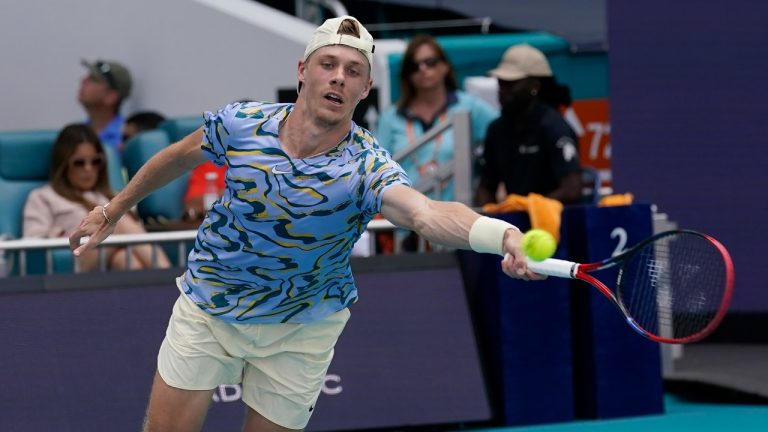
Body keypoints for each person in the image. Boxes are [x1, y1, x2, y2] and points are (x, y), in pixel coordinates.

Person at [69, 16, 541, 432]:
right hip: (211, 302)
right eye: (328, 64)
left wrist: (499, 233)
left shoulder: (366, 166)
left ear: (365, 89)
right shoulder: (241, 123)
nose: (338, 78)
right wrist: (113, 209)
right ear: (302, 71)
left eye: (353, 71)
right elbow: (176, 158)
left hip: (302, 326)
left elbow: (426, 213)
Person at [23, 123, 170, 272]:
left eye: (95, 161)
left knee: (126, 259)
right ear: (63, 164)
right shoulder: (43, 197)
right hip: (72, 262)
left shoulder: (115, 196)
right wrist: (60, 234)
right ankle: (168, 276)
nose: (89, 169)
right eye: (79, 163)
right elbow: (33, 248)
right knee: (118, 219)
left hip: (107, 263)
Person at [376, 34, 498, 201]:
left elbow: (504, 137)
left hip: (458, 217)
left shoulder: (469, 106)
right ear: (407, 74)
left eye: (430, 62)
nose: (423, 69)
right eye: (414, 66)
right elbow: (376, 171)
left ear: (445, 66)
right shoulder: (391, 116)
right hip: (406, 221)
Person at [476, 44, 583, 206]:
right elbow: (486, 187)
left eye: (511, 83)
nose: (502, 90)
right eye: (500, 82)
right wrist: (492, 220)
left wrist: (529, 208)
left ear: (534, 86)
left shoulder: (554, 127)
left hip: (554, 224)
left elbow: (572, 189)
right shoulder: (496, 130)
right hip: (514, 226)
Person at [78, 59, 133, 157]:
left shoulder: (124, 137)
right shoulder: (77, 132)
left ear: (111, 96)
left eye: (94, 79)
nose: (83, 80)